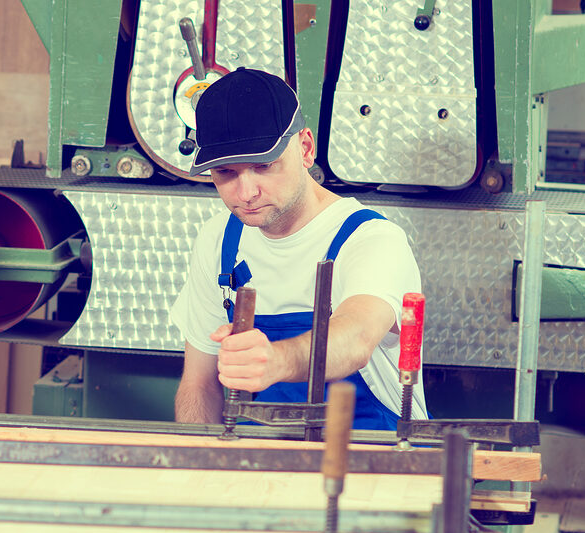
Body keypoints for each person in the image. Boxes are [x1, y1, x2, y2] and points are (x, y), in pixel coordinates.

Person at [169, 68, 425, 429]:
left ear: (305, 148)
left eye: (263, 166)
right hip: (264, 460)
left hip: (373, 453)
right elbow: (199, 384)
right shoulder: (219, 240)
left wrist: (277, 361)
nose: (246, 193)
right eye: (226, 173)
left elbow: (357, 337)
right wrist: (197, 469)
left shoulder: (371, 238)